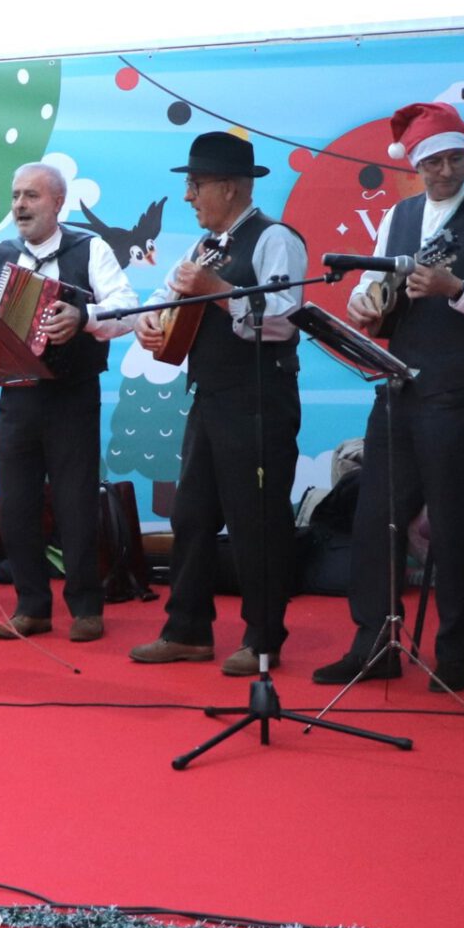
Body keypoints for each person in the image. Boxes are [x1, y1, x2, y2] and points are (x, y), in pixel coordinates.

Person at [312, 102, 464, 693]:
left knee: (451, 521)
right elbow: (371, 288)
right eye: (432, 161)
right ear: (414, 165)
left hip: (460, 389)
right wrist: (366, 303)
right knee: (375, 513)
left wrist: (455, 288)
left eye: (455, 157)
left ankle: (456, 652)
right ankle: (373, 642)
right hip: (398, 383)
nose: (444, 170)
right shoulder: (401, 216)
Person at [129, 133, 305, 675]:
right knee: (191, 514)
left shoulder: (276, 238)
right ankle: (187, 629)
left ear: (229, 188)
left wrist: (217, 288)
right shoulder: (203, 247)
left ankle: (263, 637)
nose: (187, 196)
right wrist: (149, 323)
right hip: (210, 397)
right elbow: (164, 300)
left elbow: (281, 318)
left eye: (196, 184)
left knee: (257, 519)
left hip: (259, 398)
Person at [0, 162, 138, 642]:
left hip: (71, 392)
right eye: (15, 195)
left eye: (31, 196)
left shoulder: (90, 247)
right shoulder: (2, 253)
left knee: (75, 502)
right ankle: (31, 605)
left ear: (57, 203)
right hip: (16, 393)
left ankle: (86, 606)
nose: (19, 205)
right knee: (17, 505)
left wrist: (82, 318)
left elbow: (125, 310)